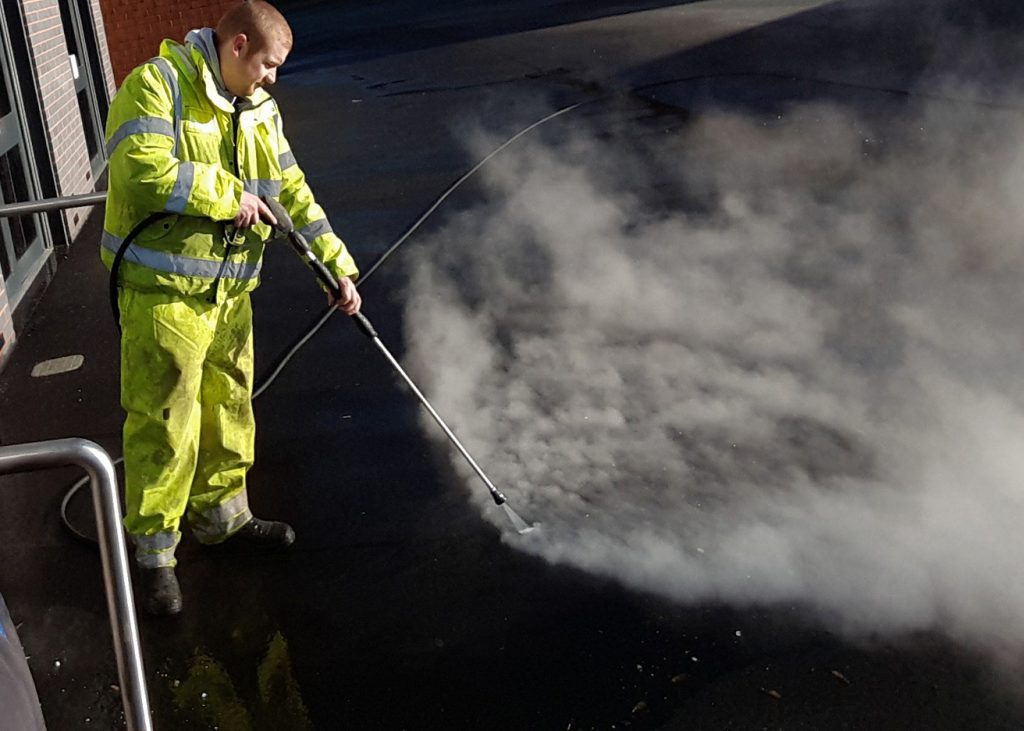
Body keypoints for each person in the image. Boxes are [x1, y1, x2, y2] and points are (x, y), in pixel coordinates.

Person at [102, 0, 361, 616]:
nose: (274, 78)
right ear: (238, 45)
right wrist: (227, 196)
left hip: (229, 294)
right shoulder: (156, 86)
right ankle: (155, 556)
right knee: (166, 419)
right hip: (163, 295)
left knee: (228, 406)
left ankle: (223, 521)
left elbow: (291, 191)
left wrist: (336, 266)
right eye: (269, 64)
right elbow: (140, 171)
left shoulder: (259, 109)